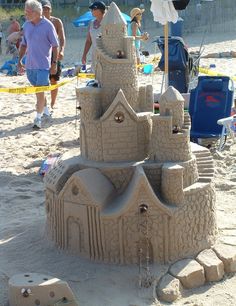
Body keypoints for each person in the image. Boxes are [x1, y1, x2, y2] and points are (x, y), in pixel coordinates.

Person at [17, 0, 59, 129]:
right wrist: (19, 60)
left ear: (36, 12)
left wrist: (54, 64)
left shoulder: (48, 25)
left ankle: (38, 119)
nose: (25, 14)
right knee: (38, 92)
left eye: (27, 11)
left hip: (43, 66)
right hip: (30, 66)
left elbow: (55, 46)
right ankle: (46, 111)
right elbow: (24, 44)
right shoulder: (26, 25)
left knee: (40, 93)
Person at [41, 0, 66, 112]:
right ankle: (44, 103)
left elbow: (62, 38)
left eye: (47, 8)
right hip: (41, 54)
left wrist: (62, 51)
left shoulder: (56, 21)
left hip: (54, 53)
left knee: (53, 79)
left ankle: (52, 102)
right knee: (41, 80)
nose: (45, 10)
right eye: (43, 8)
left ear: (50, 9)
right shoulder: (36, 22)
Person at [81, 1, 106, 71]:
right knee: (96, 76)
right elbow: (89, 41)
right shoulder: (91, 23)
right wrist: (84, 55)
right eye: (91, 9)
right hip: (95, 54)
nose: (92, 11)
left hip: (105, 54)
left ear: (101, 10)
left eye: (94, 9)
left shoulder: (107, 22)